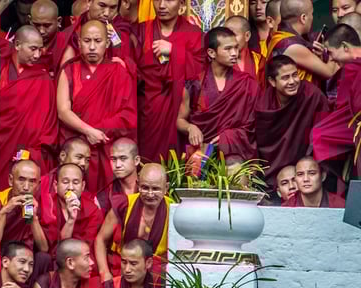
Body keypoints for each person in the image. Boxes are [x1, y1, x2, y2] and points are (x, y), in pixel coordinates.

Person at [0, 23, 58, 196]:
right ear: (18, 45)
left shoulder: (43, 79)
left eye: (40, 49)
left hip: (28, 152)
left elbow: (48, 124)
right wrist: (2, 5)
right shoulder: (1, 67)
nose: (37, 55)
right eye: (33, 49)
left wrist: (34, 151)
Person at [57, 20, 137, 192]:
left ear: (107, 43)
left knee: (106, 199)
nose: (92, 47)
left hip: (107, 149)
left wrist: (99, 131)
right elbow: (63, 111)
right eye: (87, 41)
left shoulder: (119, 72)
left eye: (98, 41)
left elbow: (128, 115)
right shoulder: (69, 70)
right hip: (78, 149)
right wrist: (89, 131)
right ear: (78, 42)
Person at [134, 0, 205, 164]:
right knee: (147, 159)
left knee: (175, 161)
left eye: (169, 0)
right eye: (157, 0)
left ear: (181, 5)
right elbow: (134, 70)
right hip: (149, 110)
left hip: (179, 107)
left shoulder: (194, 34)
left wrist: (175, 51)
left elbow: (200, 73)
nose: (162, 5)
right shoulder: (141, 30)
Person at [177, 26, 259, 160]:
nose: (234, 53)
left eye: (236, 48)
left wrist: (228, 137)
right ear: (211, 53)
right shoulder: (195, 84)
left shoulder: (247, 84)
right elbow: (180, 120)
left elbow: (252, 125)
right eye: (228, 49)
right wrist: (190, 128)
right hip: (202, 152)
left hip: (234, 151)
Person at [257, 55, 328, 188]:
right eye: (285, 77)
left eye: (295, 75)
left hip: (305, 163)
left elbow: (323, 133)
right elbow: (262, 143)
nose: (292, 81)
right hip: (272, 170)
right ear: (272, 81)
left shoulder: (311, 95)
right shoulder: (264, 104)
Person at [94, 164, 171, 281]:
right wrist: (104, 272)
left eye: (156, 189)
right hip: (122, 269)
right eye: (145, 188)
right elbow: (101, 239)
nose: (150, 194)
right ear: (138, 184)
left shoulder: (173, 210)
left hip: (156, 277)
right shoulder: (124, 205)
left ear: (166, 188)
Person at [0, 160, 51, 283]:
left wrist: (34, 218)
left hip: (25, 257)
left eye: (32, 181)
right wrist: (4, 211)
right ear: (10, 180)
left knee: (44, 258)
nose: (26, 187)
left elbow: (43, 248)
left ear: (39, 185)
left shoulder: (41, 203)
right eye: (21, 179)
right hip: (1, 254)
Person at [313, 25, 361, 177]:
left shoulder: (352, 69)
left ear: (345, 47)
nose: (331, 58)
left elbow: (346, 109)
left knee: (319, 135)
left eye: (331, 53)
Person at [265, 0, 339, 85]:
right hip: (297, 98)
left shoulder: (278, 37)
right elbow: (329, 72)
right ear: (303, 18)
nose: (312, 17)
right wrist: (334, 48)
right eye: (311, 14)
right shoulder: (292, 46)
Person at [39, 164, 103, 256]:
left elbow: (85, 247)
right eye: (65, 182)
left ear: (83, 186)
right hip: (54, 258)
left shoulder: (93, 211)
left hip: (80, 259)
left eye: (76, 183)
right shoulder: (47, 206)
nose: (71, 187)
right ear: (56, 186)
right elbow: (53, 248)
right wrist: (70, 220)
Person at [61, 0, 134, 64]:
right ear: (89, 2)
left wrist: (124, 65)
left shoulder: (119, 31)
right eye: (102, 5)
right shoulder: (70, 34)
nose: (107, 13)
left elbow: (131, 67)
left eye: (113, 7)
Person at [96, 138, 140, 216]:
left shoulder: (150, 188)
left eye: (123, 159)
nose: (117, 165)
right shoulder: (104, 196)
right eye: (113, 159)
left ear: (136, 160)